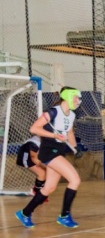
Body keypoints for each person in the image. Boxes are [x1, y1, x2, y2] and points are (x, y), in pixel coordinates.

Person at [15, 87, 83, 228]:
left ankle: (24, 213)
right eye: (76, 97)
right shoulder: (52, 112)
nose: (78, 101)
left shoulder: (71, 115)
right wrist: (54, 135)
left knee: (49, 188)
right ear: (68, 96)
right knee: (75, 180)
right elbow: (34, 129)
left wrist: (75, 147)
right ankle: (64, 215)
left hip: (59, 151)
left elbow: (69, 132)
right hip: (48, 151)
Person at [16, 135, 48, 200]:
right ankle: (36, 193)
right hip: (25, 156)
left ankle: (37, 190)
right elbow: (33, 158)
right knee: (42, 173)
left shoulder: (48, 140)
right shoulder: (34, 142)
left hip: (34, 156)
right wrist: (45, 167)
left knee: (45, 173)